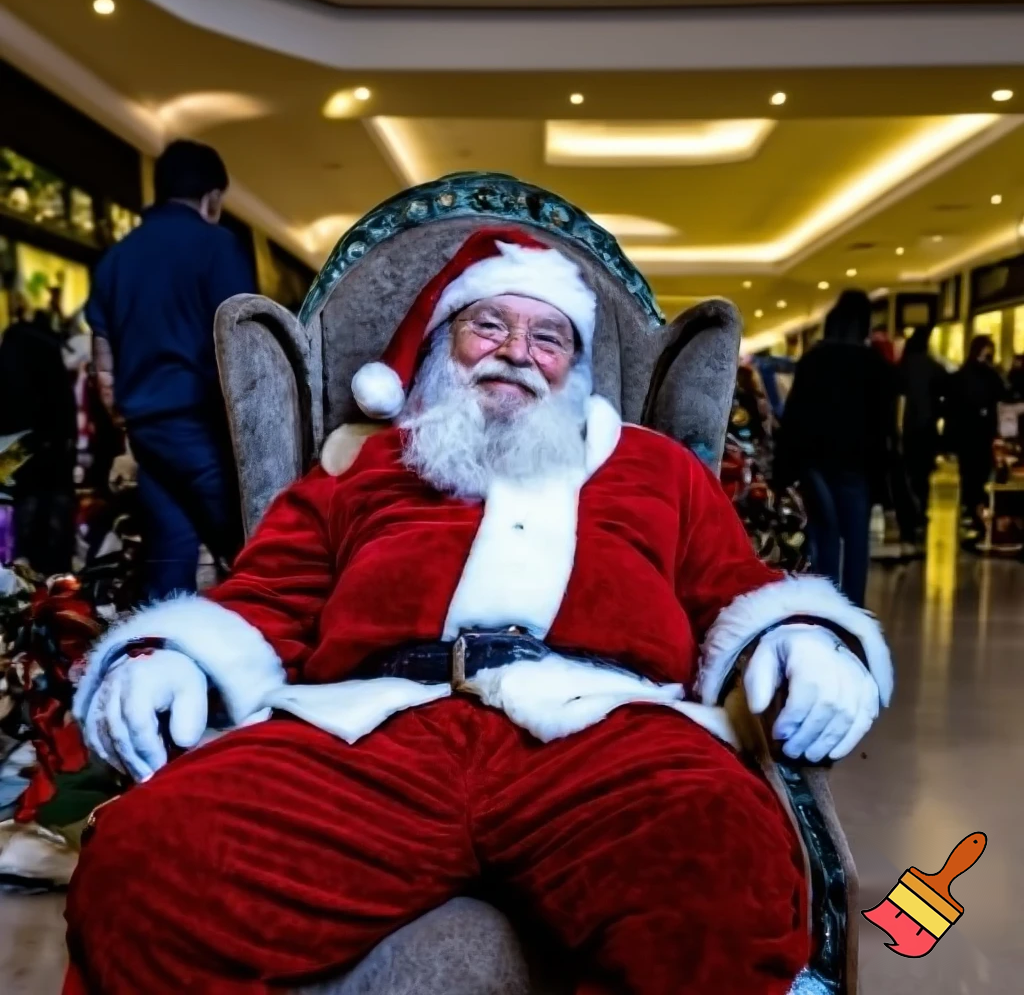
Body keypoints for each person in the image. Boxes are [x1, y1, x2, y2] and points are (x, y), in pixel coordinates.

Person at [66, 228, 893, 995]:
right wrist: (170, 655)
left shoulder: (658, 469)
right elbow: (268, 593)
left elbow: (734, 590)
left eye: (548, 337)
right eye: (487, 326)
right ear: (440, 348)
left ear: (578, 367)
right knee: (148, 860)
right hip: (375, 732)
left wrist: (804, 637)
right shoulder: (370, 466)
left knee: (720, 865)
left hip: (610, 732)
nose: (516, 354)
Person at [84, 139, 255, 598]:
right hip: (203, 427)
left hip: (146, 431)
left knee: (168, 562)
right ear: (212, 197)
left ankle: (160, 659)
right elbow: (241, 339)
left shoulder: (116, 257)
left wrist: (121, 414)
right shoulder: (217, 245)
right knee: (252, 555)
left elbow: (103, 359)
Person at [774, 290, 896, 605]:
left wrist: (783, 470)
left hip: (816, 463)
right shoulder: (875, 365)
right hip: (858, 465)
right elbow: (884, 426)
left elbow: (796, 415)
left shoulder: (814, 359)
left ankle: (828, 607)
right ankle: (854, 611)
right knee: (857, 543)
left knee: (824, 535)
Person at [0, 302, 77, 575]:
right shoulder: (46, 349)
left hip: (14, 451)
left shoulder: (12, 346)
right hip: (48, 451)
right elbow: (64, 409)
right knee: (47, 526)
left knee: (13, 510)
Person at [947, 335, 1006, 529]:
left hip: (968, 435)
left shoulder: (962, 374)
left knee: (970, 477)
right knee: (979, 476)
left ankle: (975, 512)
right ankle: (978, 513)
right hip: (980, 434)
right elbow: (1002, 392)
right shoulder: (989, 375)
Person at [898, 326, 949, 529]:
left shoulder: (904, 365)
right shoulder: (933, 366)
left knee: (910, 470)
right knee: (924, 472)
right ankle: (923, 507)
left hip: (909, 426)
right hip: (928, 426)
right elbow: (947, 388)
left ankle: (912, 512)